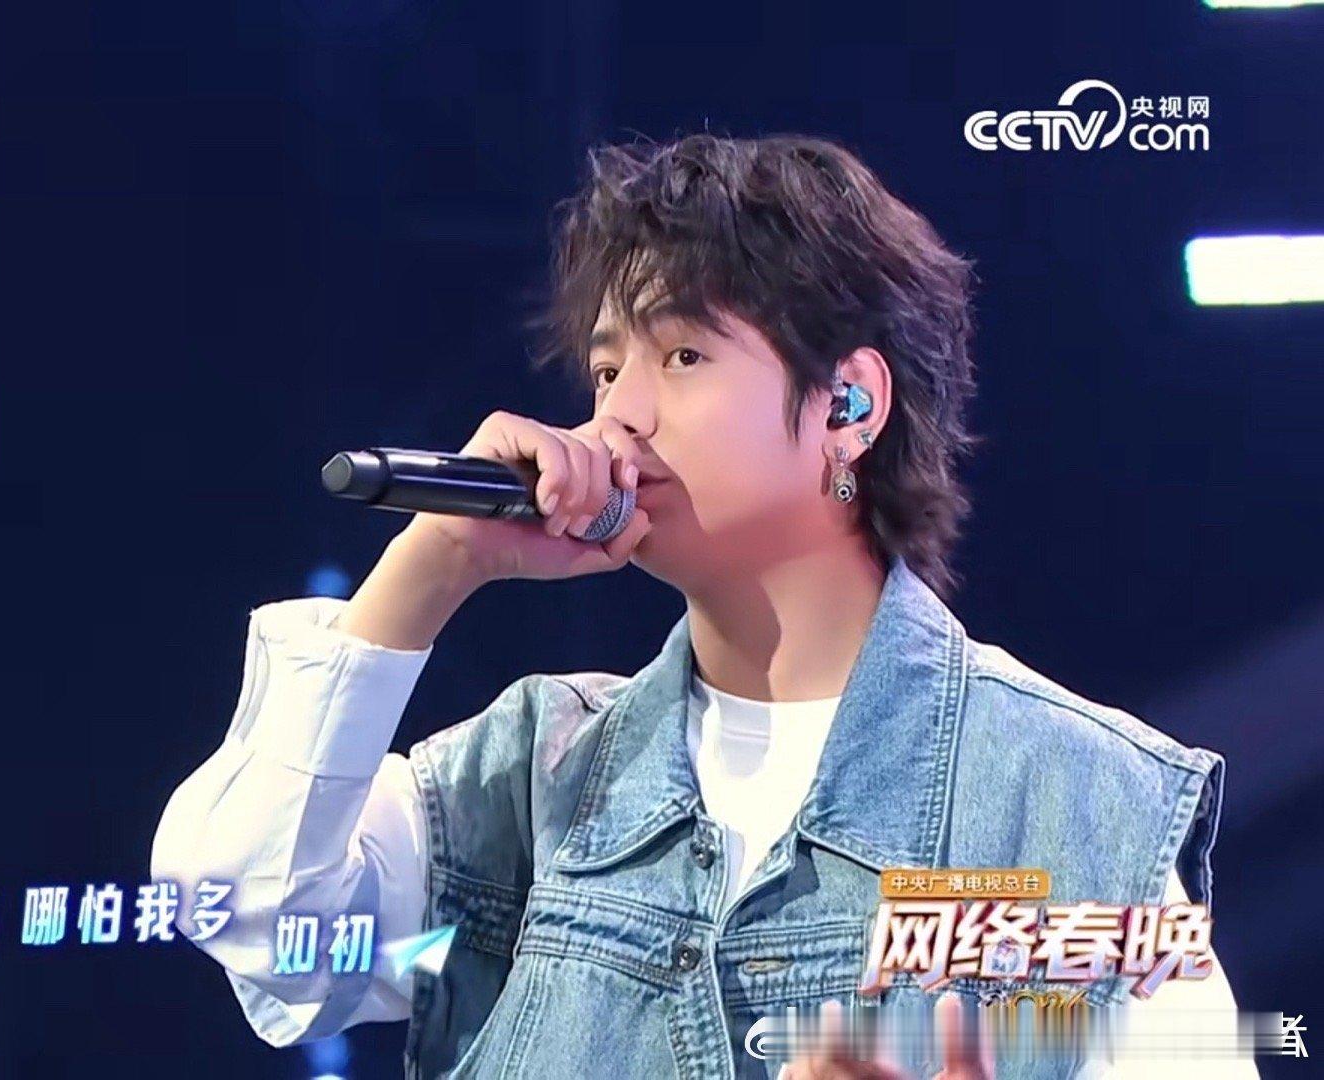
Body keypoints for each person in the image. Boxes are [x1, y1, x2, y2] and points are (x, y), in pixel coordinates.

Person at [151, 133, 1254, 1079]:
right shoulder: (531, 772)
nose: (618, 418)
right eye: (604, 372)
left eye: (681, 354)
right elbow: (248, 921)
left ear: (849, 403)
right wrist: (434, 565)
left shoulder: (1071, 801)